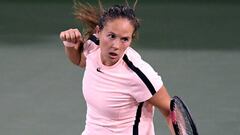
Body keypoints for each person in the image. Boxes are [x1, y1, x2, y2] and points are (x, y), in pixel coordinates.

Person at [60, 1, 174, 135]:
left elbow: (170, 110)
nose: (116, 45)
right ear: (98, 31)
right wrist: (69, 44)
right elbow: (79, 60)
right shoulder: (93, 46)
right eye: (111, 36)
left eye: (124, 39)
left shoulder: (138, 74)